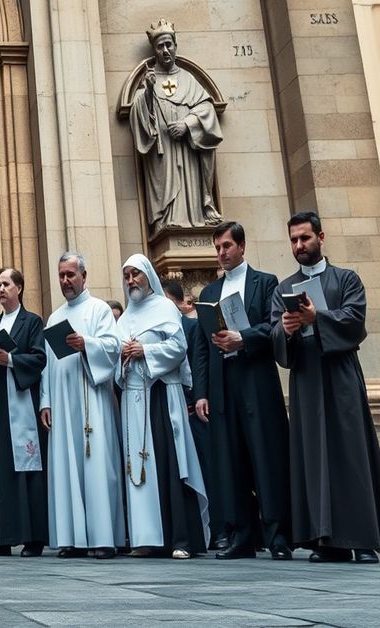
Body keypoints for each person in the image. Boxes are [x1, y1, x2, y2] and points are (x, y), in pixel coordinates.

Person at [270, 211, 380, 564]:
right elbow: (274, 334)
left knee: (351, 454)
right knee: (313, 455)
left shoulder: (346, 279)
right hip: (306, 378)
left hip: (341, 373)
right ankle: (326, 540)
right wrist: (286, 329)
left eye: (305, 238)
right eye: (294, 240)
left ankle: (363, 539)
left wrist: (319, 318)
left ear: (321, 236)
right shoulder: (284, 288)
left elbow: (355, 320)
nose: (299, 246)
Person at [191, 222, 291, 560]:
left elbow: (275, 326)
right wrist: (201, 393)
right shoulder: (208, 293)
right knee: (229, 459)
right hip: (222, 385)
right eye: (217, 247)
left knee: (265, 455)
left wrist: (243, 338)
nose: (221, 253)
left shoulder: (266, 283)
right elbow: (203, 349)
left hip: (256, 379)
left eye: (227, 246)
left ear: (242, 247)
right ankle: (241, 534)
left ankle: (277, 536)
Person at [116, 254, 209, 559]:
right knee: (139, 468)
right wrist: (123, 359)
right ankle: (147, 538)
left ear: (148, 276)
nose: (131, 281)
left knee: (170, 463)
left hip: (160, 394)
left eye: (136, 274)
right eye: (127, 276)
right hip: (134, 397)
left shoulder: (165, 308)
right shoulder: (124, 318)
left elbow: (179, 347)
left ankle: (180, 539)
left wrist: (145, 350)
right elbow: (114, 360)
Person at [40, 252, 124, 559]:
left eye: (70, 275)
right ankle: (71, 538)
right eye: (61, 275)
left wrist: (86, 344)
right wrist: (45, 402)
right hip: (62, 406)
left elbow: (113, 348)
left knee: (97, 466)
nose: (65, 281)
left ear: (84, 276)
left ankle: (103, 538)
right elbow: (48, 365)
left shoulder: (99, 310)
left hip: (92, 402)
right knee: (67, 468)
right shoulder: (54, 317)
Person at [0, 267, 49, 557]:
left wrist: (10, 359)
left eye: (6, 284)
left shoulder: (32, 322)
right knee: (0, 469)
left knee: (26, 469)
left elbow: (39, 358)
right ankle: (1, 539)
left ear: (19, 288)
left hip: (21, 405)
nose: (0, 289)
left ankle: (33, 539)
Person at [129, 19, 223, 233]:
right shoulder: (149, 79)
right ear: (154, 50)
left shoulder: (188, 79)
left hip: (188, 152)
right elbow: (138, 112)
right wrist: (148, 92)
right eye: (160, 46)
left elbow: (206, 109)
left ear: (175, 46)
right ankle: (168, 219)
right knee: (171, 188)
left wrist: (187, 124)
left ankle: (201, 213)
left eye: (168, 45)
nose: (165, 50)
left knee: (191, 184)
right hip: (166, 155)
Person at [163, 279, 227, 551]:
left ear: (177, 302)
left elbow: (199, 362)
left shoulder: (190, 326)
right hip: (169, 413)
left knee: (208, 470)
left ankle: (219, 529)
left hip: (193, 410)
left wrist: (198, 398)